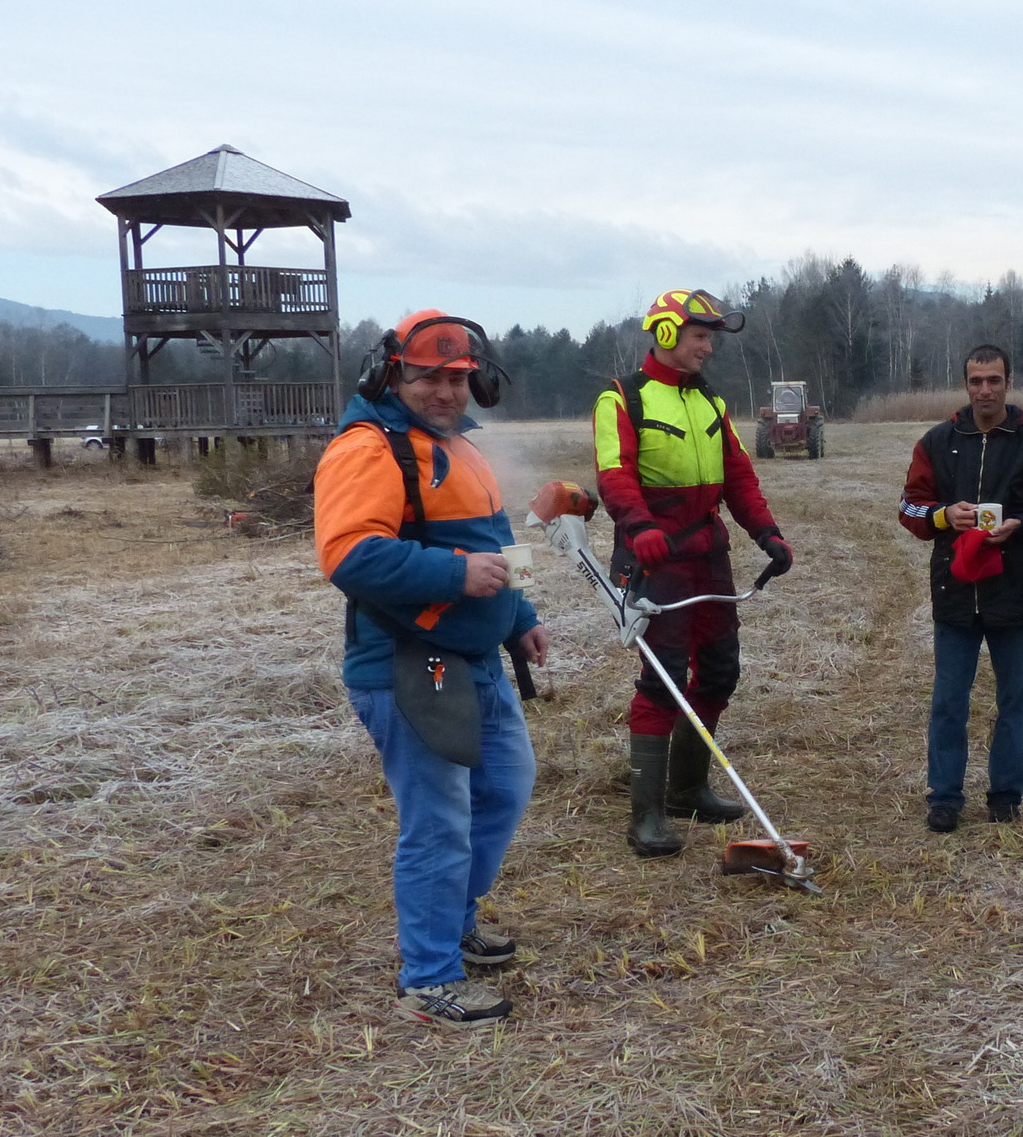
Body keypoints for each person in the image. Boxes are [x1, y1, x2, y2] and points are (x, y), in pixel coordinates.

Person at [314, 310, 551, 1028]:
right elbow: (349, 557)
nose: (447, 391)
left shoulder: (463, 449)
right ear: (393, 373)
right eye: (429, 377)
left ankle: (454, 921)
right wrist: (454, 573)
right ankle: (429, 976)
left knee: (507, 786)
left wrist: (521, 618)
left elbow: (497, 548)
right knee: (438, 822)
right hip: (407, 664)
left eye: (458, 377)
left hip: (475, 659)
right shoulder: (368, 449)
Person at [594, 289, 792, 858]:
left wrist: (767, 534)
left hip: (709, 556)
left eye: (711, 337)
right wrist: (638, 526)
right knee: (664, 678)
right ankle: (647, 815)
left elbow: (739, 477)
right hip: (655, 559)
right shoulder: (621, 400)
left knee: (719, 672)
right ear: (665, 334)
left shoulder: (711, 403)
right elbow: (615, 474)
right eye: (700, 336)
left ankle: (687, 789)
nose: (709, 347)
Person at [900, 345, 1023, 832]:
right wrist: (942, 515)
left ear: (1008, 381)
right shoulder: (937, 441)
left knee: (1014, 699)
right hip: (954, 593)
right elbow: (909, 506)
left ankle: (1006, 793)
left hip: (1015, 591)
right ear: (965, 384)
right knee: (948, 700)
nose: (985, 390)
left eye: (993, 380)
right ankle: (946, 797)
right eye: (976, 381)